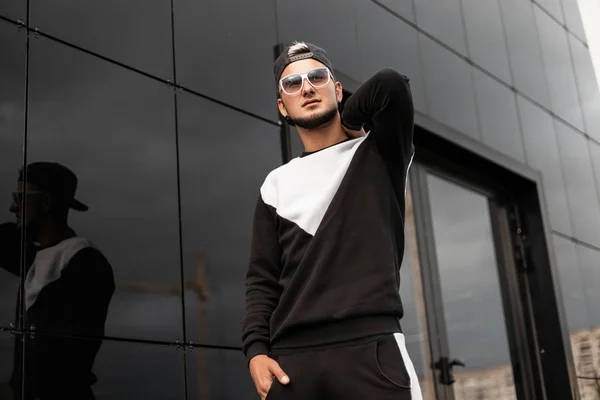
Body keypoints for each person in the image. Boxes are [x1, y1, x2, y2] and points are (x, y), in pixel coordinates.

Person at [242, 41, 422, 399]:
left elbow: (391, 84)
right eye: (292, 84)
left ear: (337, 89)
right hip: (292, 366)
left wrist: (351, 122)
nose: (306, 87)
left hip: (370, 351)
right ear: (283, 107)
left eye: (317, 77)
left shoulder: (377, 153)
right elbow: (262, 280)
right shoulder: (275, 185)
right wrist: (256, 351)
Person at [0, 161, 115, 400]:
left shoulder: (83, 262)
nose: (12, 206)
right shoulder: (42, 257)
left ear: (46, 203)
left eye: (20, 198)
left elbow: (60, 357)